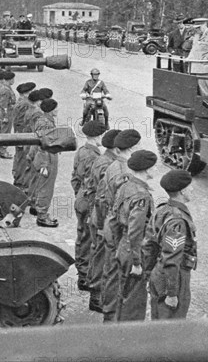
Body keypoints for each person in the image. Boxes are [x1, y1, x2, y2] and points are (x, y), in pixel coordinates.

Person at [100, 129, 142, 322]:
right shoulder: (124, 172)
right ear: (132, 148)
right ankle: (111, 315)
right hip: (118, 228)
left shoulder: (114, 166)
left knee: (110, 271)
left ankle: (108, 312)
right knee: (116, 274)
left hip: (111, 223)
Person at [144, 170, 197, 320]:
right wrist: (172, 293)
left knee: (158, 320)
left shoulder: (162, 209)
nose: (192, 190)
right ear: (182, 191)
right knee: (172, 327)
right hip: (174, 278)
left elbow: (148, 245)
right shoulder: (177, 221)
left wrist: (149, 275)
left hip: (158, 273)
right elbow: (172, 259)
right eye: (190, 187)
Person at [112, 150, 157, 322]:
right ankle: (129, 340)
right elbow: (136, 230)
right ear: (147, 170)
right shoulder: (141, 195)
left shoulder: (126, 185)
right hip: (134, 249)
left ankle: (120, 329)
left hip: (124, 245)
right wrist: (137, 262)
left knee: (124, 293)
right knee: (134, 300)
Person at [86, 129, 121, 312]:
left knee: (98, 255)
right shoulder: (107, 165)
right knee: (101, 258)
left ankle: (97, 293)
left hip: (99, 216)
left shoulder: (104, 160)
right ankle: (96, 297)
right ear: (116, 149)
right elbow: (102, 198)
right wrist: (102, 225)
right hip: (101, 217)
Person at [72, 120, 107, 291]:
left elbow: (75, 178)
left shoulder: (81, 151)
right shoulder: (95, 157)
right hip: (89, 202)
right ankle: (85, 276)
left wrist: (80, 195)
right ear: (97, 136)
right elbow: (96, 185)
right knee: (88, 239)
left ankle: (82, 273)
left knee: (82, 237)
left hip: (81, 198)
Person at [28, 98, 60, 227]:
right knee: (46, 187)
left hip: (44, 156)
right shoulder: (45, 123)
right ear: (51, 110)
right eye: (56, 108)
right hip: (47, 158)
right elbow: (44, 144)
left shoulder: (44, 120)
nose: (58, 110)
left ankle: (35, 207)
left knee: (39, 184)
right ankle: (42, 216)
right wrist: (45, 165)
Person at [21, 88, 54, 193]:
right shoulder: (39, 116)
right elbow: (41, 140)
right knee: (35, 175)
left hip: (31, 143)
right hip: (35, 147)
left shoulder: (38, 114)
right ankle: (31, 195)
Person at [186, 17, 208, 97]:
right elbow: (194, 49)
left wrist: (207, 58)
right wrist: (189, 58)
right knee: (194, 92)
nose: (197, 29)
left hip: (204, 68)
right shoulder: (196, 35)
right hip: (194, 67)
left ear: (204, 25)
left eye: (199, 27)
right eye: (196, 28)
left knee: (205, 92)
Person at [11, 82, 36, 189]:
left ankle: (18, 179)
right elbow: (22, 122)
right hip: (23, 135)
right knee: (23, 160)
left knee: (19, 158)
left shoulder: (20, 102)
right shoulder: (25, 105)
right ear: (27, 93)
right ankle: (20, 182)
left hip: (19, 134)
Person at [0, 70, 16, 158]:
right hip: (6, 114)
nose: (14, 81)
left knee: (0, 131)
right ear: (10, 80)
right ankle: (3, 151)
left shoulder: (3, 87)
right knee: (5, 133)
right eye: (13, 79)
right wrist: (6, 116)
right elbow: (4, 104)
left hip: (2, 113)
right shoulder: (6, 90)